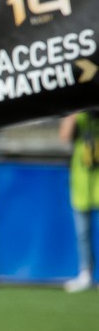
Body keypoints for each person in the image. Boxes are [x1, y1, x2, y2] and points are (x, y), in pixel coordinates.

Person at [60, 111, 99, 292]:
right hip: (82, 182)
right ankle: (86, 273)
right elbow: (65, 136)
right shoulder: (80, 115)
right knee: (83, 232)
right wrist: (74, 112)